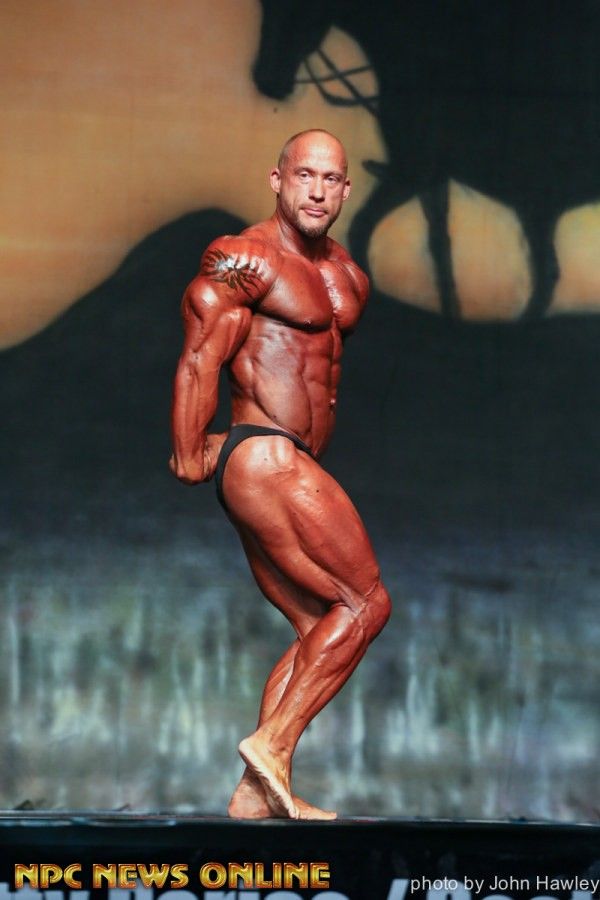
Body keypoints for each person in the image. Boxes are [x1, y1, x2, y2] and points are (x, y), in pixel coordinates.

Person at [170, 129, 391, 820]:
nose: (317, 191)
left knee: (322, 625)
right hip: (265, 454)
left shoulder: (348, 275)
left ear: (346, 189)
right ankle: (271, 744)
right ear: (277, 180)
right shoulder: (246, 258)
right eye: (304, 176)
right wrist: (188, 449)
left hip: (288, 460)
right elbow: (201, 354)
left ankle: (257, 792)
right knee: (366, 604)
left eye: (331, 179)